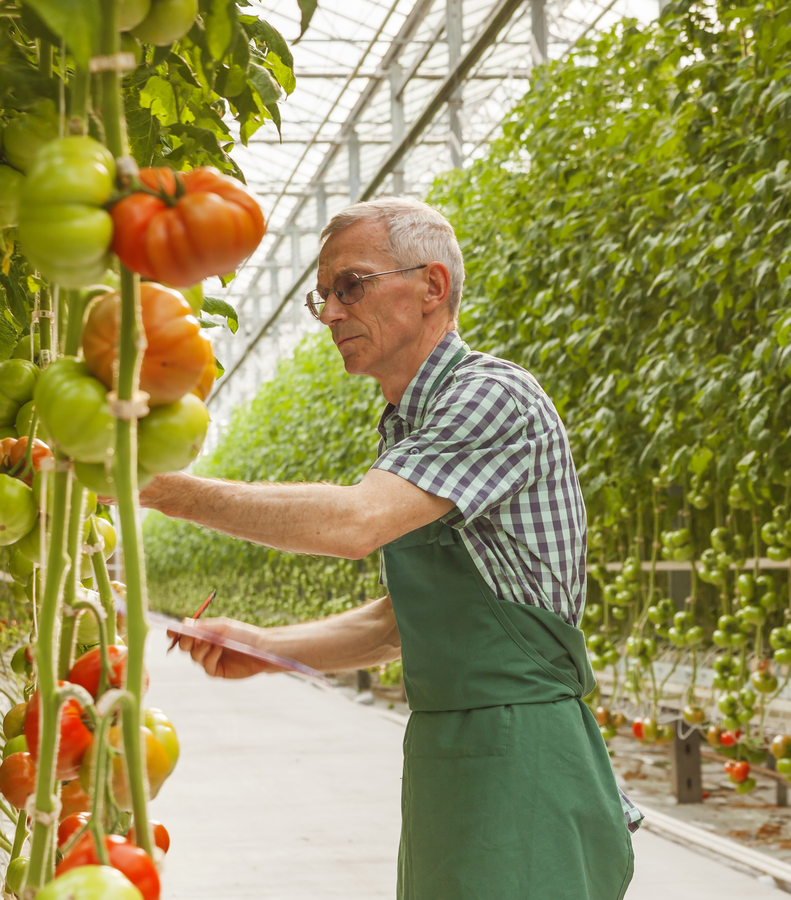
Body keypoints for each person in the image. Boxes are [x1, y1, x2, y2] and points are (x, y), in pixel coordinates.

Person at [143, 197, 639, 899]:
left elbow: (354, 522)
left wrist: (166, 490)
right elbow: (404, 622)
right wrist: (267, 646)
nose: (332, 313)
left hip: (522, 754)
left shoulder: (492, 396)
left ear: (432, 286)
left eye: (352, 285)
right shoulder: (409, 428)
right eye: (323, 297)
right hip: (455, 754)